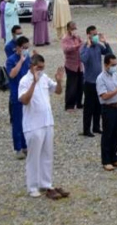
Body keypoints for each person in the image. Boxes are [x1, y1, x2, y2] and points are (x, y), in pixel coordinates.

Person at [18, 54, 70, 199]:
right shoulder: (24, 81)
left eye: (42, 67)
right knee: (34, 156)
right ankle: (32, 186)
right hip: (33, 125)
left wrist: (59, 81)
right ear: (31, 66)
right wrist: (34, 83)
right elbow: (24, 100)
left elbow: (58, 91)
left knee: (47, 155)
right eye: (38, 67)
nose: (41, 70)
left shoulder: (45, 77)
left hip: (47, 122)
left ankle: (46, 184)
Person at [96, 53, 117, 171]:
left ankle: (114, 157)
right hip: (107, 108)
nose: (114, 67)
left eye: (115, 64)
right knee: (107, 134)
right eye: (112, 65)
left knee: (116, 133)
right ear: (105, 65)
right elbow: (104, 96)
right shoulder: (100, 78)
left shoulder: (115, 75)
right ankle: (106, 160)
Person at [80, 26, 112, 137]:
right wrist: (88, 46)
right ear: (88, 35)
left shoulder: (98, 46)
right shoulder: (84, 47)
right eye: (93, 34)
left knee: (98, 106)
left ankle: (96, 127)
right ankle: (86, 129)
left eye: (96, 34)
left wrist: (106, 42)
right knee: (89, 107)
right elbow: (83, 59)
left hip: (99, 82)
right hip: (89, 82)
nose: (95, 36)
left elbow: (109, 55)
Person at [6, 36, 31, 159]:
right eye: (24, 48)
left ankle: (26, 145)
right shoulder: (11, 60)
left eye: (27, 47)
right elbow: (11, 74)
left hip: (27, 94)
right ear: (18, 47)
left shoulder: (28, 58)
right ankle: (18, 148)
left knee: (27, 121)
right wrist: (20, 61)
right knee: (17, 122)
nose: (26, 50)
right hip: (16, 95)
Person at [61, 21, 83, 111]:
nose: (74, 30)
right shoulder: (65, 38)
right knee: (71, 86)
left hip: (79, 65)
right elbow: (66, 49)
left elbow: (83, 44)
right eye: (72, 28)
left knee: (80, 85)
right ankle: (69, 105)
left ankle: (79, 103)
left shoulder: (77, 37)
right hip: (71, 66)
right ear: (68, 29)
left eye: (75, 28)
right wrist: (77, 46)